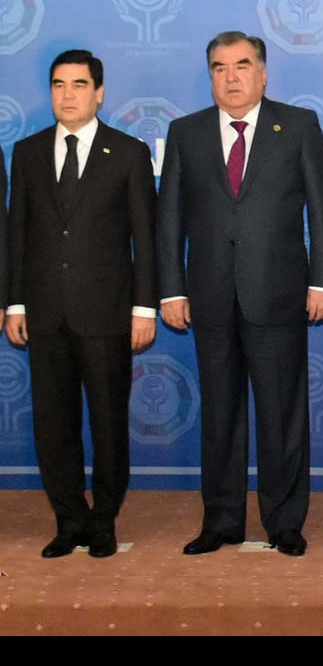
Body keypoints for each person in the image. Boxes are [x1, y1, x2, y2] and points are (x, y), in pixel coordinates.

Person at [157, 32, 323, 557]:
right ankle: (221, 521)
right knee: (219, 415)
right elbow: (169, 219)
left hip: (278, 295)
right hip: (209, 295)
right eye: (219, 68)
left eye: (241, 65)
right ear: (210, 75)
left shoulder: (297, 126)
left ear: (263, 73)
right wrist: (171, 289)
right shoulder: (186, 132)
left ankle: (285, 522)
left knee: (282, 416)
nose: (231, 77)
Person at [6, 49, 156, 559]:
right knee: (54, 427)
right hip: (45, 313)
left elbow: (145, 239)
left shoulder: (129, 152)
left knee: (109, 425)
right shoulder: (27, 153)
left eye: (78, 84)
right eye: (58, 85)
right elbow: (17, 233)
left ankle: (104, 520)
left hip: (107, 314)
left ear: (99, 92)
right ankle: (68, 520)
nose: (67, 95)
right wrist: (15, 303)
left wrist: (144, 308)